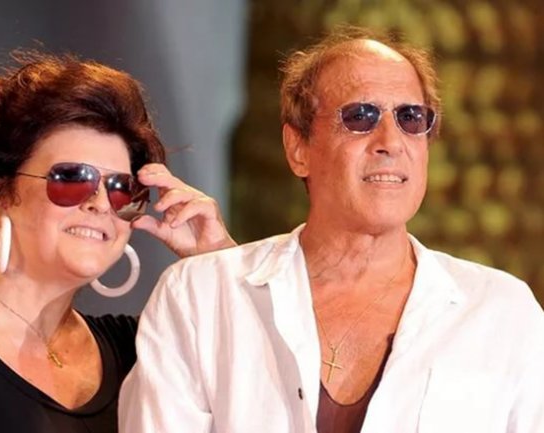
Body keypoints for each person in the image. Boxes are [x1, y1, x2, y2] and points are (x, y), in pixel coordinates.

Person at [119, 26, 544, 433]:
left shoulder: (502, 313)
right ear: (298, 148)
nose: (391, 141)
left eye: (411, 118)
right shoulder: (198, 297)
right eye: (360, 116)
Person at [0, 52, 235, 433]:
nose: (101, 203)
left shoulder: (142, 350)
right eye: (72, 178)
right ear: (0, 194)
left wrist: (221, 262)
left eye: (120, 188)